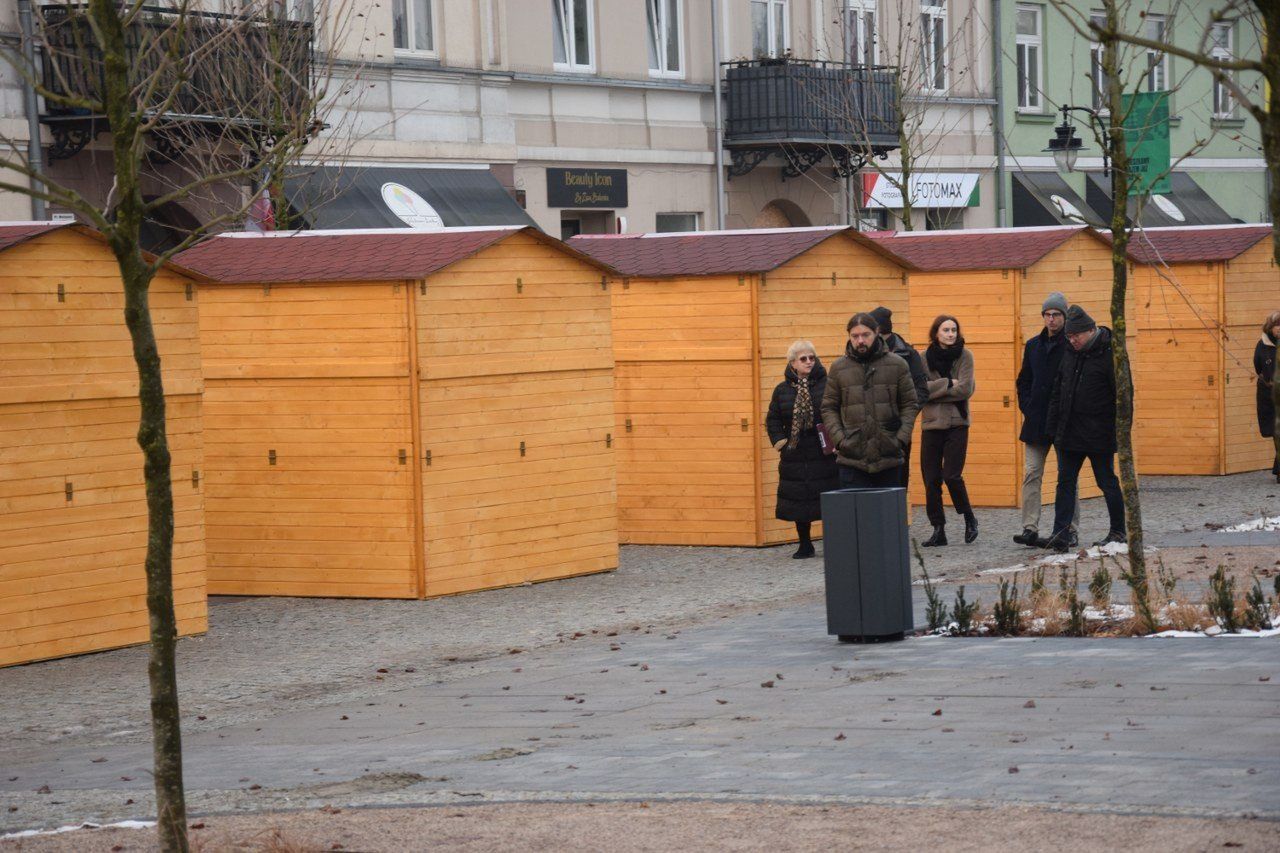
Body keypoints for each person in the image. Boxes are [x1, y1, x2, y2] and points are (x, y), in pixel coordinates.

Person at [1044, 305, 1127, 552]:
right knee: (1065, 482)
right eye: (1069, 336)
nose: (1072, 340)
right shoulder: (1070, 352)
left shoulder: (1111, 354)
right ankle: (1061, 533)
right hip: (1069, 432)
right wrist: (1053, 427)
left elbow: (1124, 396)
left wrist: (1121, 432)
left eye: (1076, 336)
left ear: (1090, 331)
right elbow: (1058, 390)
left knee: (1106, 481)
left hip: (1099, 432)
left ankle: (1118, 531)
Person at [821, 312, 920, 489]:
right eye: (855, 336)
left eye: (865, 335)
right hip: (851, 460)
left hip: (889, 458)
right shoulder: (838, 368)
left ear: (876, 333)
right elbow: (829, 407)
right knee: (856, 516)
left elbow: (910, 404)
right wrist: (840, 440)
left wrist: (900, 439)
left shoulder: (898, 364)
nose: (860, 340)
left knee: (887, 516)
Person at [1014, 292, 1079, 548]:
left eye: (1056, 315)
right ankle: (1029, 527)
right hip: (1036, 420)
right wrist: (1028, 406)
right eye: (1047, 314)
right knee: (1031, 473)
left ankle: (1069, 529)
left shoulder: (1072, 345)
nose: (1051, 319)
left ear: (1064, 316)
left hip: (1064, 423)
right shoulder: (1033, 346)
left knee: (1067, 477)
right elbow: (1024, 380)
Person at [766, 341, 840, 559]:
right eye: (803, 359)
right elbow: (773, 419)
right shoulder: (782, 390)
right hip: (795, 453)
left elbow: (838, 412)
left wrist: (836, 440)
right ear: (793, 363)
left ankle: (835, 544)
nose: (809, 362)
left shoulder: (828, 384)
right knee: (799, 499)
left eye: (812, 358)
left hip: (823, 451)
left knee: (829, 497)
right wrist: (781, 442)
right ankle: (805, 544)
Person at [918, 315, 978, 546]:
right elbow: (921, 390)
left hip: (957, 423)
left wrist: (939, 389)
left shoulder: (965, 355)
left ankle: (969, 517)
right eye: (946, 330)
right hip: (931, 424)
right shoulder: (923, 358)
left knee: (952, 475)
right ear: (936, 333)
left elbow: (965, 389)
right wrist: (949, 383)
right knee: (931, 478)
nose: (951, 334)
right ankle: (938, 529)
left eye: (954, 329)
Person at [870, 306, 929, 489]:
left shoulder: (908, 354)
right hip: (869, 431)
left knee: (897, 484)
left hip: (898, 431)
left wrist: (905, 420)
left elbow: (921, 391)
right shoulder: (864, 353)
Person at [1255, 310, 1279, 482]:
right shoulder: (1262, 345)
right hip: (1267, 392)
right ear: (1270, 328)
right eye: (1277, 326)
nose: (1279, 329)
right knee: (1274, 431)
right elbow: (1258, 367)